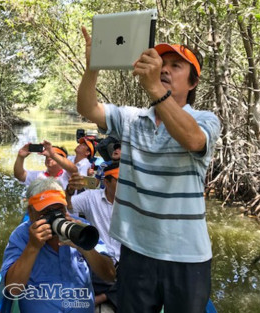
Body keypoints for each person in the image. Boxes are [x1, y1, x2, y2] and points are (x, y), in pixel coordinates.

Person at [77, 26, 221, 313]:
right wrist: (92, 67)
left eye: (175, 66)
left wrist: (154, 86)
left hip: (186, 256)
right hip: (135, 250)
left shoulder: (205, 119)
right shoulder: (132, 119)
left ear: (192, 83)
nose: (164, 70)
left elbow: (192, 140)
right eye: (161, 64)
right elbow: (87, 107)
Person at [1, 178, 116, 313]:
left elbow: (109, 276)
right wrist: (32, 247)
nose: (55, 217)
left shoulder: (80, 227)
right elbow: (13, 289)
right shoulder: (21, 236)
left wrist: (83, 246)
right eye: (46, 211)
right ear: (30, 212)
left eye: (59, 209)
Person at [66, 163, 122, 310]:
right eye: (119, 180)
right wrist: (70, 191)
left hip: (124, 262)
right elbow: (68, 207)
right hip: (101, 259)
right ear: (106, 182)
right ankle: (110, 295)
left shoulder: (133, 202)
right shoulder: (92, 197)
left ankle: (103, 297)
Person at [14, 140, 78, 189]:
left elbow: (74, 169)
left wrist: (53, 155)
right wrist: (20, 157)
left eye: (53, 155)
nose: (49, 157)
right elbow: (20, 175)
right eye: (47, 155)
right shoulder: (39, 175)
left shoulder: (67, 175)